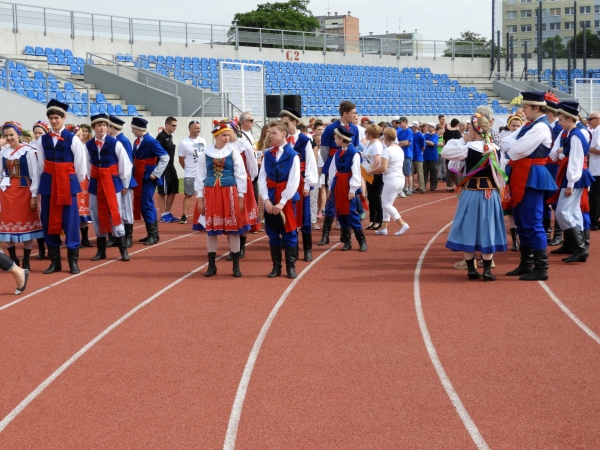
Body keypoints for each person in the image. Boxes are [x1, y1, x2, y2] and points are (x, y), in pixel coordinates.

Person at [501, 92, 558, 281]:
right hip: (522, 175)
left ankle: (541, 268)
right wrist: (513, 147)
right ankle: (526, 263)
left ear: (536, 107)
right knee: (521, 221)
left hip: (531, 176)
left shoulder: (541, 127)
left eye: (525, 107)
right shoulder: (530, 125)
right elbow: (505, 143)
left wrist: (513, 147)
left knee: (532, 222)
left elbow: (514, 151)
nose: (523, 110)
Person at [443, 114, 507, 281]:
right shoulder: (495, 148)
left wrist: (463, 139)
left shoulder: (467, 147)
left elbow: (445, 153)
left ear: (475, 130)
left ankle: (471, 269)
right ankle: (487, 270)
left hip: (471, 192)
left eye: (469, 128)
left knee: (468, 227)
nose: (467, 130)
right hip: (490, 193)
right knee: (488, 228)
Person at [32, 100, 87, 275]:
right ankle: (55, 261)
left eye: (57, 117)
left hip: (67, 185)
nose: (54, 121)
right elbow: (40, 164)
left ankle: (73, 261)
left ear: (63, 118)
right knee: (48, 221)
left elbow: (80, 167)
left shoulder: (73, 139)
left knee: (70, 223)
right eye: (51, 118)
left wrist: (70, 182)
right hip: (49, 184)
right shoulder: (42, 140)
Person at [194, 121, 248, 278]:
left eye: (228, 134)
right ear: (216, 136)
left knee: (233, 230)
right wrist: (199, 198)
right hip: (211, 192)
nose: (227, 137)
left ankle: (236, 266)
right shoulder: (205, 153)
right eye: (223, 135)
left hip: (229, 192)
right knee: (211, 231)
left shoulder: (234, 152)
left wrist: (241, 195)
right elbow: (200, 176)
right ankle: (212, 265)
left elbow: (240, 174)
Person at [547, 101, 595, 263]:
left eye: (561, 119)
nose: (559, 123)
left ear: (568, 119)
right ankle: (579, 248)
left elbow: (575, 161)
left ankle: (580, 248)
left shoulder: (575, 135)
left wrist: (570, 184)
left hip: (575, 177)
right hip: (576, 176)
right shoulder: (575, 134)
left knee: (563, 212)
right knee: (572, 212)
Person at [85, 114, 132, 262]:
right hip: (96, 182)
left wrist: (122, 180)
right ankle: (101, 250)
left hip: (112, 181)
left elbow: (125, 163)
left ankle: (123, 249)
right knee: (96, 212)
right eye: (99, 125)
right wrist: (91, 177)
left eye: (104, 125)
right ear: (94, 128)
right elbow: (87, 164)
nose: (102, 128)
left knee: (115, 210)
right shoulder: (89, 145)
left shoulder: (115, 143)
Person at [259, 121, 301, 278]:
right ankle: (276, 267)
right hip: (270, 196)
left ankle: (291, 266)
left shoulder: (293, 155)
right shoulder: (268, 154)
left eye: (274, 133)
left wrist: (282, 202)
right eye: (270, 133)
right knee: (272, 232)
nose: (270, 136)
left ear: (284, 134)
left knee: (289, 232)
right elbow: (262, 178)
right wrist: (266, 200)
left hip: (286, 199)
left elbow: (294, 180)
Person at [0, 122, 43, 271]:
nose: (9, 138)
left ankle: (26, 260)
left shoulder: (29, 151)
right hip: (7, 193)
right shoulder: (3, 152)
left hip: (24, 191)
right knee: (7, 224)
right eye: (6, 136)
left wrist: (33, 195)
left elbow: (35, 175)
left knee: (27, 222)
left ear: (18, 134)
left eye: (12, 134)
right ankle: (12, 257)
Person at [318, 101, 360, 246]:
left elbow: (354, 148)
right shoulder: (330, 129)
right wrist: (331, 165)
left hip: (347, 172)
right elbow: (324, 151)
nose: (355, 115)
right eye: (353, 113)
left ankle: (346, 236)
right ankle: (325, 235)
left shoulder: (355, 129)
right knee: (331, 201)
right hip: (333, 170)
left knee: (347, 202)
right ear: (345, 113)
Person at [279, 107, 318, 261]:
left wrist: (308, 185)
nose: (283, 127)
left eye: (285, 123)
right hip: (285, 183)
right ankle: (292, 249)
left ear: (294, 122)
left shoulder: (305, 140)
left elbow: (310, 163)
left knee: (305, 216)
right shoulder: (281, 141)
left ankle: (307, 249)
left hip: (301, 182)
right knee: (289, 216)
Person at [328, 125, 368, 252]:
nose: (334, 139)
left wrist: (352, 190)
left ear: (342, 138)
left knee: (351, 213)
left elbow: (356, 172)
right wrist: (331, 187)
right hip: (339, 184)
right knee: (340, 213)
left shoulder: (354, 153)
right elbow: (332, 171)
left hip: (348, 185)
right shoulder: (338, 153)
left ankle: (362, 241)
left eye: (336, 137)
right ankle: (347, 241)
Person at [131, 117, 169, 246]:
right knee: (143, 204)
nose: (132, 131)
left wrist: (155, 173)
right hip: (140, 175)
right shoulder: (137, 141)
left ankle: (154, 235)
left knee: (146, 204)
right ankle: (151, 233)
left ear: (139, 129)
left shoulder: (151, 141)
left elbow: (165, 157)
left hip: (147, 176)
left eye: (133, 129)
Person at [366, 127, 410, 236]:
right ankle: (384, 227)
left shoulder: (387, 151)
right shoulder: (399, 149)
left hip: (391, 180)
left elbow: (383, 168)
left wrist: (370, 172)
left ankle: (401, 223)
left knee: (385, 204)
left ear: (385, 137)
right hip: (400, 179)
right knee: (387, 204)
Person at [226, 118, 259, 258]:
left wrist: (248, 180)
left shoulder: (244, 145)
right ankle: (233, 247)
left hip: (243, 183)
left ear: (235, 131)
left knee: (242, 214)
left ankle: (241, 247)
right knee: (229, 214)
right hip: (227, 184)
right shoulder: (222, 146)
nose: (226, 136)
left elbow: (252, 166)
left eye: (228, 132)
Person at [107, 115, 136, 248]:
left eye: (107, 126)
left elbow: (128, 164)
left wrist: (125, 183)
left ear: (112, 127)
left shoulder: (123, 141)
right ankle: (116, 236)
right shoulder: (113, 140)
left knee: (125, 209)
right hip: (113, 180)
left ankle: (128, 237)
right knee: (115, 208)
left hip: (123, 180)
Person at [498, 114, 525, 252]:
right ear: (509, 126)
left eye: (518, 125)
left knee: (521, 206)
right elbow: (501, 158)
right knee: (510, 209)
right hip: (508, 174)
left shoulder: (525, 139)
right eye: (513, 125)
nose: (515, 128)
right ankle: (514, 240)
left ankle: (522, 238)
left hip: (522, 174)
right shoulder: (504, 140)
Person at [543, 95, 564, 247]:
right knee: (543, 200)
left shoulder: (560, 128)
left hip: (555, 166)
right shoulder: (542, 126)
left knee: (556, 200)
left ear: (548, 113)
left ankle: (558, 234)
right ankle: (545, 232)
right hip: (542, 166)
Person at [177, 120, 206, 225]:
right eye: (196, 128)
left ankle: (204, 215)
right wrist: (187, 168)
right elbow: (181, 159)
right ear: (190, 129)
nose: (198, 130)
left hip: (202, 173)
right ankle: (184, 215)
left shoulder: (203, 140)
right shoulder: (184, 143)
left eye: (199, 128)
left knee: (204, 194)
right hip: (190, 173)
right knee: (188, 194)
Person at [31, 120, 50, 260]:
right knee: (37, 218)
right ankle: (41, 249)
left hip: (46, 184)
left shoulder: (47, 145)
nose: (37, 135)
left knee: (46, 216)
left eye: (40, 132)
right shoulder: (29, 147)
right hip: (32, 186)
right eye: (36, 132)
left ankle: (50, 247)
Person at [156, 117, 179, 223]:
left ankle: (168, 212)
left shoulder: (170, 137)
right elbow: (156, 153)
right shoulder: (161, 137)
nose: (175, 127)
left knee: (173, 188)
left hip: (171, 166)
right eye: (173, 125)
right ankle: (163, 214)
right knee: (162, 191)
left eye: (176, 125)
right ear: (167, 125)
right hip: (163, 168)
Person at [363, 124, 384, 229]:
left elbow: (377, 160)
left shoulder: (377, 145)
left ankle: (379, 220)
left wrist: (371, 171)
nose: (365, 134)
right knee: (371, 197)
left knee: (376, 198)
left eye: (366, 132)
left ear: (370, 133)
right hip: (368, 172)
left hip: (374, 174)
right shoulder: (369, 143)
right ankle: (372, 219)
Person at [77, 123, 93, 249]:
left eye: (86, 131)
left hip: (87, 179)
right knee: (76, 209)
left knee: (85, 210)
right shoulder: (74, 145)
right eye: (81, 131)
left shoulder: (89, 146)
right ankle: (75, 237)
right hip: (76, 179)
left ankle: (85, 238)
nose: (83, 133)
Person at [588, 111, 600, 232]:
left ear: (598, 119)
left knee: (595, 197)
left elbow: (599, 149)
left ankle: (594, 221)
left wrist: (587, 148)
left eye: (590, 119)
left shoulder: (599, 131)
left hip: (597, 169)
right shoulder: (596, 131)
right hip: (596, 168)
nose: (588, 121)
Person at [443, 119, 462, 192]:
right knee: (455, 169)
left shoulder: (446, 132)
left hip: (448, 152)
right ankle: (458, 185)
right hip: (455, 152)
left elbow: (444, 142)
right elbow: (460, 143)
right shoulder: (457, 132)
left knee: (449, 170)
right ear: (457, 124)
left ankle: (449, 186)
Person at [396, 117, 414, 196]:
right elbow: (397, 143)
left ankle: (410, 188)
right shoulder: (400, 132)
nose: (399, 124)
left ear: (405, 122)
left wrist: (401, 143)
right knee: (403, 172)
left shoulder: (409, 131)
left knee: (408, 173)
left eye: (401, 122)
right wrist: (402, 143)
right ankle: (406, 187)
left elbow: (406, 143)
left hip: (407, 154)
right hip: (401, 154)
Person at [423, 123, 439, 191]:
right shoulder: (426, 135)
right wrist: (428, 142)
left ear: (433, 128)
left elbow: (433, 143)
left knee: (433, 172)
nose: (428, 128)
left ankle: (433, 186)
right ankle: (423, 186)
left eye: (430, 127)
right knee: (424, 172)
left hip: (432, 156)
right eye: (428, 127)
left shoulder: (435, 135)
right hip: (425, 155)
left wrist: (425, 141)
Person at [410, 121, 425, 194]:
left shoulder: (420, 135)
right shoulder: (411, 134)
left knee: (420, 173)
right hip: (412, 155)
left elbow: (423, 147)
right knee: (411, 172)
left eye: (412, 126)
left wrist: (418, 152)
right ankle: (412, 187)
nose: (411, 127)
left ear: (415, 127)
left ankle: (422, 187)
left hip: (418, 156)